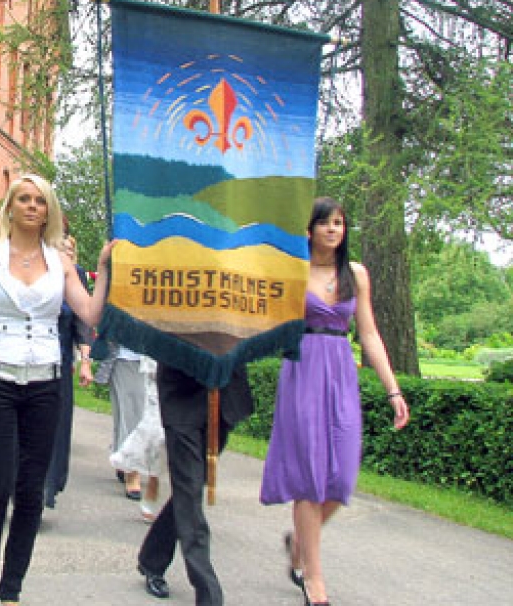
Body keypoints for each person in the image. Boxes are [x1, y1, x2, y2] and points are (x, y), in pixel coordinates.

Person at [0, 174, 111, 606]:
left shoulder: (61, 263)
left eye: (40, 201)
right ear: (9, 207)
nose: (31, 206)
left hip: (46, 382)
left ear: (49, 211)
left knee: (31, 492)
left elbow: (91, 314)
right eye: (23, 199)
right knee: (0, 482)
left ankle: (11, 591)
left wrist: (106, 268)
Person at [260, 197, 410, 606]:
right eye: (324, 223)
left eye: (339, 223)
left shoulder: (356, 275)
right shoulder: (293, 270)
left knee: (341, 478)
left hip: (341, 370)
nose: (332, 230)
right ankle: (315, 580)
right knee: (309, 477)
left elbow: (371, 334)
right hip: (303, 369)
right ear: (307, 229)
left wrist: (393, 389)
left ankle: (299, 547)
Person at [135, 363, 253, 604]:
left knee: (191, 485)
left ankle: (152, 558)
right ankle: (208, 591)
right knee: (188, 487)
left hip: (222, 394)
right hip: (181, 393)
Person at [44, 231, 93, 510]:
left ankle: (45, 488)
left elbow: (83, 321)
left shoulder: (75, 275)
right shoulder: (30, 266)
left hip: (60, 362)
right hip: (25, 359)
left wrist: (85, 360)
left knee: (56, 427)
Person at [110, 355, 165, 522]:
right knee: (149, 423)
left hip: (183, 355)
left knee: (171, 427)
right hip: (145, 356)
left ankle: (181, 488)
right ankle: (138, 474)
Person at [110, 342, 149, 501]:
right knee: (131, 415)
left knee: (134, 414)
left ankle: (122, 457)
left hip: (158, 358)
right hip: (129, 357)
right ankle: (132, 471)